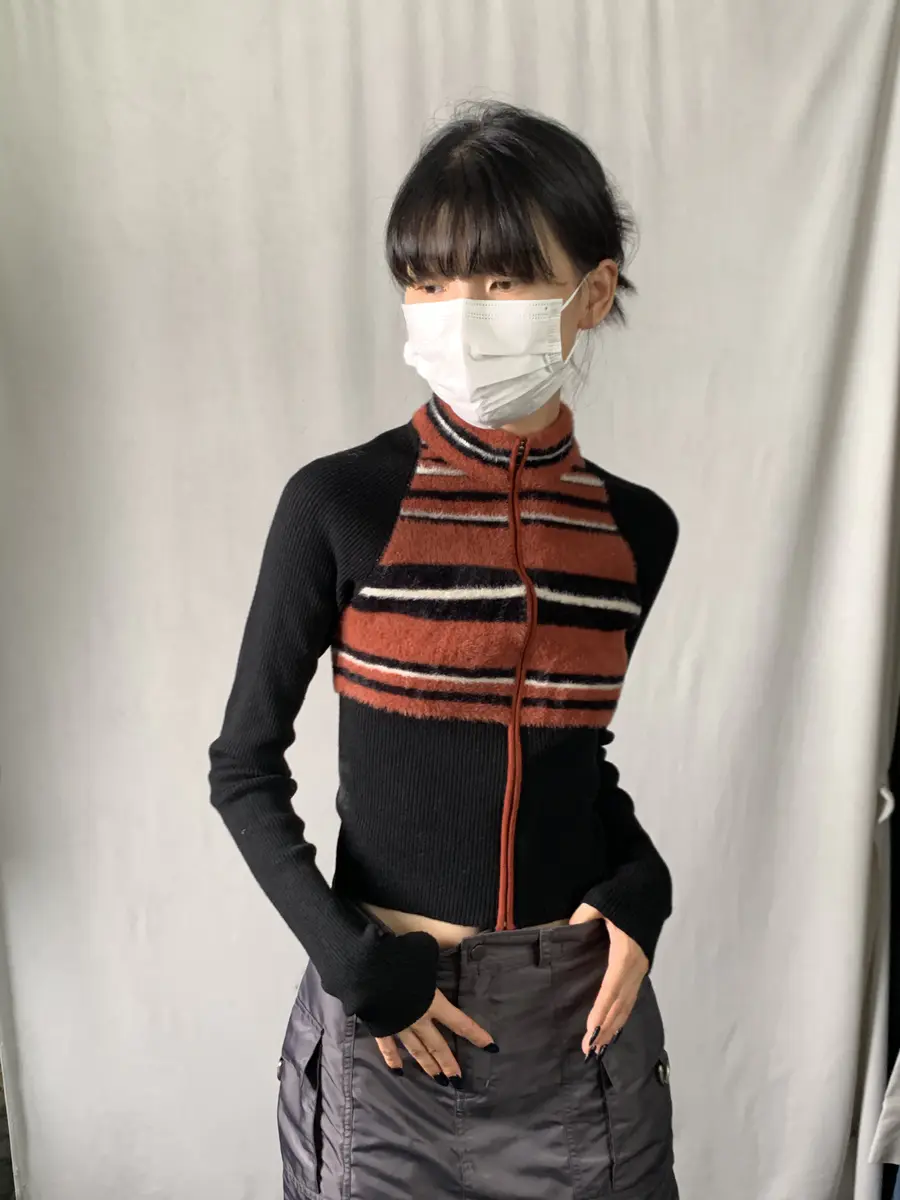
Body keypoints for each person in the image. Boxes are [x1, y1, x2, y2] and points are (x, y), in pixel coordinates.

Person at [208, 99, 680, 1200]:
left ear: (592, 293)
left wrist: (643, 885)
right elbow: (243, 767)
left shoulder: (634, 531)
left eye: (502, 281)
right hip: (394, 1025)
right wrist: (354, 962)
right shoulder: (339, 504)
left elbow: (575, 763)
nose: (457, 315)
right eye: (427, 282)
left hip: (581, 1026)